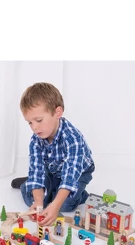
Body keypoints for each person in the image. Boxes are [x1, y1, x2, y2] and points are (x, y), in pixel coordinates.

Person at [11, 83, 95, 227]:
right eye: (30, 123)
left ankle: (79, 195)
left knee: (65, 205)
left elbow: (70, 176)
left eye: (39, 120)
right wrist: (38, 202)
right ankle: (32, 185)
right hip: (52, 169)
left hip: (78, 173)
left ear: (57, 113)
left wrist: (56, 205)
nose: (34, 127)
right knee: (35, 200)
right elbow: (36, 170)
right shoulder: (36, 140)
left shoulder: (72, 138)